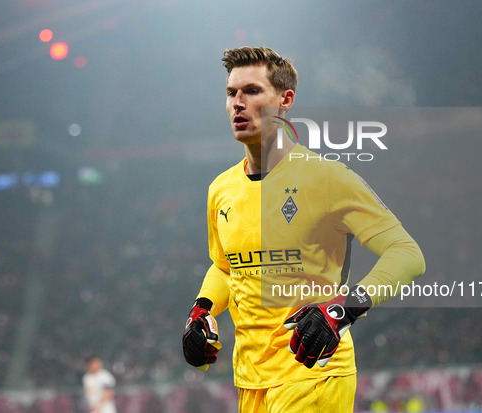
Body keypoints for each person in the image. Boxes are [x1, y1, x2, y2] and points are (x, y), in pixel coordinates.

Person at [182, 46, 425, 413]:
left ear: (285, 99)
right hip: (251, 382)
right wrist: (202, 311)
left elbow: (407, 254)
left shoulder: (327, 179)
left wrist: (343, 309)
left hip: (314, 374)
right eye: (231, 93)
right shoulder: (221, 190)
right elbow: (225, 267)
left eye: (251, 91)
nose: (237, 103)